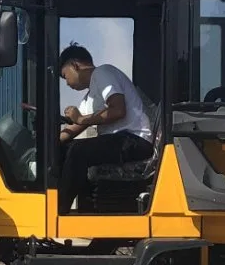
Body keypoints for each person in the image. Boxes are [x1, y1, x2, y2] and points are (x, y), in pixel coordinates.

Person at [56, 43, 155, 213]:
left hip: (134, 139)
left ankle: (58, 208)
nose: (66, 83)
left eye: (65, 76)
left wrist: (80, 117)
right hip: (119, 140)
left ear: (75, 65)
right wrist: (49, 145)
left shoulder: (103, 73)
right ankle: (86, 208)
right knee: (66, 150)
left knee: (79, 151)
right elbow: (74, 128)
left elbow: (118, 110)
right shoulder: (89, 98)